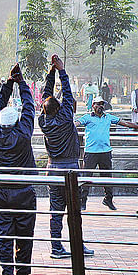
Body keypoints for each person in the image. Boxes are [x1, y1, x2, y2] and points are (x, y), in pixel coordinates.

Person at [0, 63, 37, 275]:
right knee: (25, 236)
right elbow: (30, 107)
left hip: (0, 192)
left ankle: (7, 273)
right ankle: (22, 274)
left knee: (3, 235)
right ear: (16, 121)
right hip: (24, 191)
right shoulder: (24, 133)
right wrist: (21, 83)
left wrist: (7, 85)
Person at [38, 55, 87, 258]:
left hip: (52, 169)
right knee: (74, 211)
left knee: (55, 211)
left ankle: (56, 247)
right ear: (58, 109)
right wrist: (62, 71)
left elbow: (46, 98)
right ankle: (77, 244)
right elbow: (67, 95)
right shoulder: (66, 118)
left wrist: (51, 73)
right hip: (70, 170)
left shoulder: (43, 121)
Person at [76, 96, 138, 211]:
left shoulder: (108, 117)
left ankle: (108, 199)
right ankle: (82, 201)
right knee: (86, 178)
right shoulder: (87, 117)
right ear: (92, 106)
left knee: (107, 178)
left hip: (105, 152)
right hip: (91, 152)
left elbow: (125, 123)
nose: (100, 106)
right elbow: (77, 123)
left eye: (102, 104)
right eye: (97, 104)